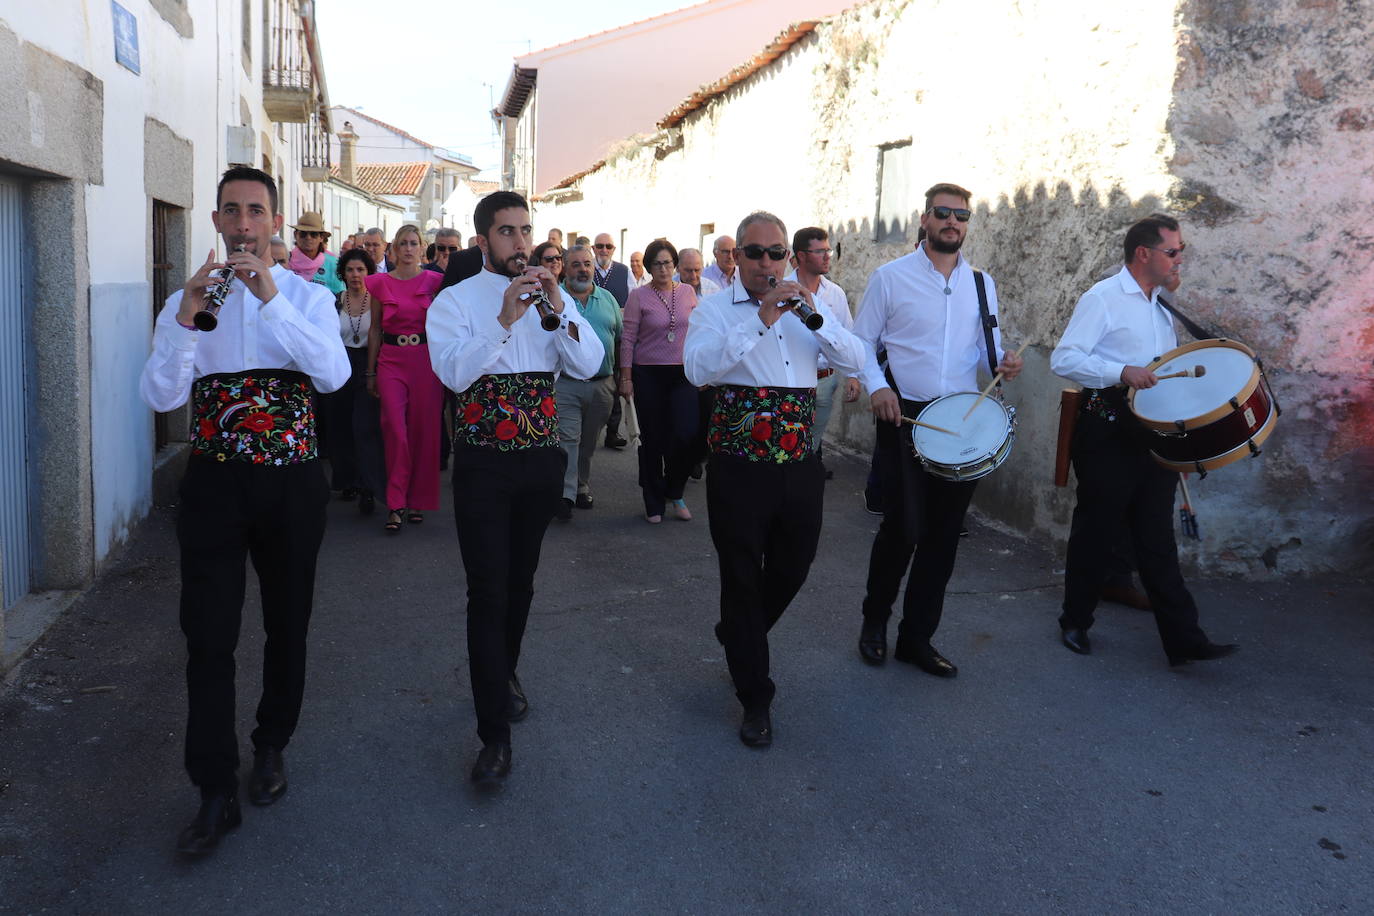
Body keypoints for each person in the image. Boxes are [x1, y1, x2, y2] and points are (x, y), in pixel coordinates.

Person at [139, 166, 349, 856]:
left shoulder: (308, 297)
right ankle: (214, 788)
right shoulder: (190, 299)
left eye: (256, 211)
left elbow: (333, 374)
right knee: (208, 637)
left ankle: (271, 744)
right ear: (217, 222)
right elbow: (163, 397)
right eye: (231, 211)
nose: (243, 223)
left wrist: (269, 301)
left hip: (292, 486)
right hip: (215, 486)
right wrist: (184, 320)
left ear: (276, 222)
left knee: (288, 625)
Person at [427, 191, 604, 785]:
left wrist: (561, 307)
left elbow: (587, 364)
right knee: (488, 589)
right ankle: (493, 734)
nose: (521, 243)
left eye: (526, 231)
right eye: (507, 232)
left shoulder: (552, 298)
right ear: (483, 242)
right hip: (481, 461)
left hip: (539, 459)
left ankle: (503, 670)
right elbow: (453, 373)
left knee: (521, 582)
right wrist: (504, 319)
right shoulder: (455, 301)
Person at [684, 211, 865, 747]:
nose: (767, 262)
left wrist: (818, 319)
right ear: (736, 257)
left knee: (795, 564)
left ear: (788, 257)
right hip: (738, 467)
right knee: (740, 577)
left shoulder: (816, 307)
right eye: (755, 252)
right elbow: (698, 369)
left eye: (776, 252)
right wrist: (759, 319)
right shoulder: (715, 310)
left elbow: (855, 358)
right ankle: (755, 697)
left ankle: (739, 634)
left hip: (798, 461)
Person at [1050, 214, 1238, 666]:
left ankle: (1184, 639)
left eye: (1180, 251)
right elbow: (1065, 358)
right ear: (1144, 254)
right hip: (1108, 427)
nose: (1179, 259)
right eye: (1172, 251)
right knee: (1097, 528)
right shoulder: (1104, 298)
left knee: (1156, 535)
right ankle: (1074, 620)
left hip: (1152, 433)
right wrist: (1120, 372)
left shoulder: (1159, 306)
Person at [854, 183, 1024, 677]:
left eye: (962, 215)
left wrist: (1004, 362)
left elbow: (987, 349)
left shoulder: (981, 284)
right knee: (902, 529)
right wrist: (875, 387)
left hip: (962, 418)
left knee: (944, 536)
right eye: (944, 213)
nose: (953, 222)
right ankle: (874, 623)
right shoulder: (890, 278)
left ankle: (917, 638)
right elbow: (861, 342)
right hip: (903, 413)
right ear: (925, 219)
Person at [364, 224, 444, 532]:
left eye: (414, 243)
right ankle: (396, 502)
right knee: (395, 430)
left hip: (425, 358)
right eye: (403, 243)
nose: (408, 248)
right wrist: (370, 372)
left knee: (424, 430)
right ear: (393, 249)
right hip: (391, 360)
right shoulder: (379, 283)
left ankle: (419, 500)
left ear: (423, 248)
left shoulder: (436, 281)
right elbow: (374, 329)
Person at [620, 239, 699, 523]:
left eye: (667, 263)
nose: (663, 268)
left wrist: (702, 369)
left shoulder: (689, 292)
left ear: (674, 264)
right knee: (652, 439)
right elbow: (627, 338)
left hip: (682, 373)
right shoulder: (638, 296)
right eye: (657, 263)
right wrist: (626, 377)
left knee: (686, 434)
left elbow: (698, 332)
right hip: (648, 373)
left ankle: (674, 489)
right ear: (649, 267)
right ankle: (653, 500)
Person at [553, 244, 622, 520]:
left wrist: (623, 377)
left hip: (602, 383)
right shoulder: (554, 298)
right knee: (568, 437)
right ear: (565, 269)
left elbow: (620, 338)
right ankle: (567, 494)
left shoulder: (607, 299)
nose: (583, 269)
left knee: (589, 440)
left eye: (587, 264)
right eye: (576, 264)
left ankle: (581, 482)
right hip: (566, 383)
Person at [786, 227, 859, 479]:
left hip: (825, 380)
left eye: (828, 250)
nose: (828, 256)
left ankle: (801, 491)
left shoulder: (835, 293)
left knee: (811, 446)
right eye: (821, 251)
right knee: (788, 445)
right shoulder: (783, 291)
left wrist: (852, 376)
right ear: (802, 255)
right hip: (791, 382)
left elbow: (847, 337)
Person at [322, 248, 385, 515]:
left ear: (369, 272)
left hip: (367, 365)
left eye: (360, 269)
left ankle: (368, 487)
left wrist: (372, 372)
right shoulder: (335, 301)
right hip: (340, 363)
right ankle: (347, 480)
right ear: (343, 274)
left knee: (364, 427)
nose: (355, 275)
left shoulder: (377, 301)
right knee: (339, 426)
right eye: (350, 270)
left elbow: (378, 334)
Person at [594, 233, 632, 447]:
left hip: (615, 333)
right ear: (593, 248)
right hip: (590, 333)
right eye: (600, 246)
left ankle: (613, 431)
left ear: (614, 249)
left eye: (608, 246)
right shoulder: (585, 268)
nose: (604, 250)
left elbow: (633, 297)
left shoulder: (623, 271)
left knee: (615, 382)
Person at [287, 212, 343, 295]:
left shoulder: (334, 265)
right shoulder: (285, 260)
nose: (308, 238)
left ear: (321, 238)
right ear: (295, 235)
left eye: (313, 234)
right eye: (303, 233)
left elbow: (341, 295)